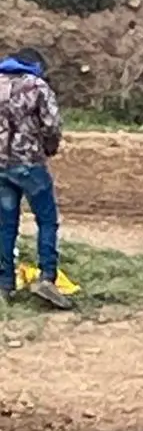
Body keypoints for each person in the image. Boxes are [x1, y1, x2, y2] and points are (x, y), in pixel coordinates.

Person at [0, 48, 70, 310]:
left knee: (5, 225)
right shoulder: (37, 86)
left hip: (1, 166)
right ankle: (47, 277)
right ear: (36, 65)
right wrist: (49, 148)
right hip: (30, 164)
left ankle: (5, 284)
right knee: (47, 220)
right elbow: (52, 124)